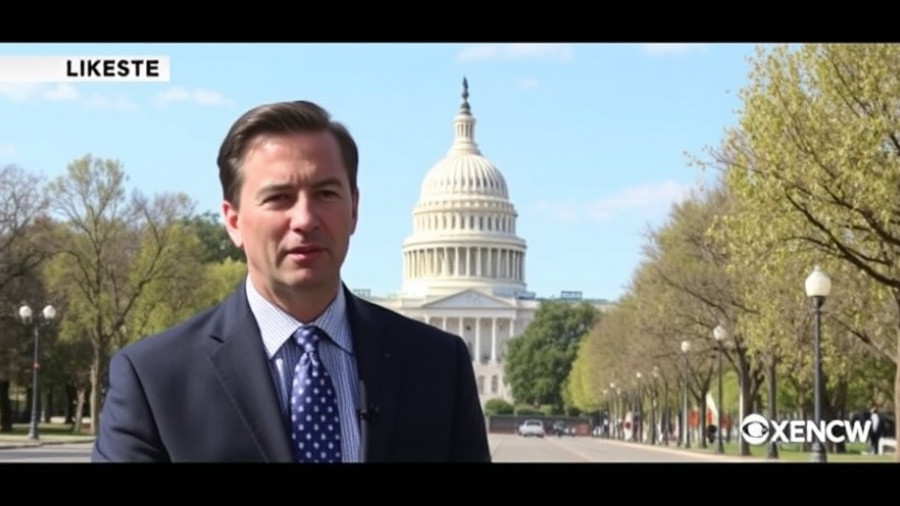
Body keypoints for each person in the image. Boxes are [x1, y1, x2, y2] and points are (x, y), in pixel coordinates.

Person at [91, 100, 491, 463]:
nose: (305, 219)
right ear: (233, 221)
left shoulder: (439, 366)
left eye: (326, 193)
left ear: (354, 209)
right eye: (279, 197)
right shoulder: (154, 379)